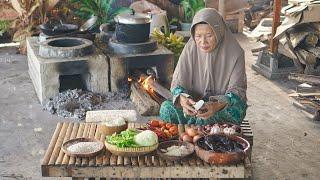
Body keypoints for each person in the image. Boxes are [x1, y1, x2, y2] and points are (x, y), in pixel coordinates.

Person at [159, 8, 247, 125]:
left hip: (223, 108)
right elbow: (178, 84)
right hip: (196, 105)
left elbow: (237, 91)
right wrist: (183, 99)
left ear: (219, 32)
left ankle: (193, 126)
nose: (203, 42)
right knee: (166, 109)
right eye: (198, 36)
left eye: (209, 35)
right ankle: (195, 127)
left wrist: (216, 105)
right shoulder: (190, 49)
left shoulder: (235, 53)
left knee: (207, 119)